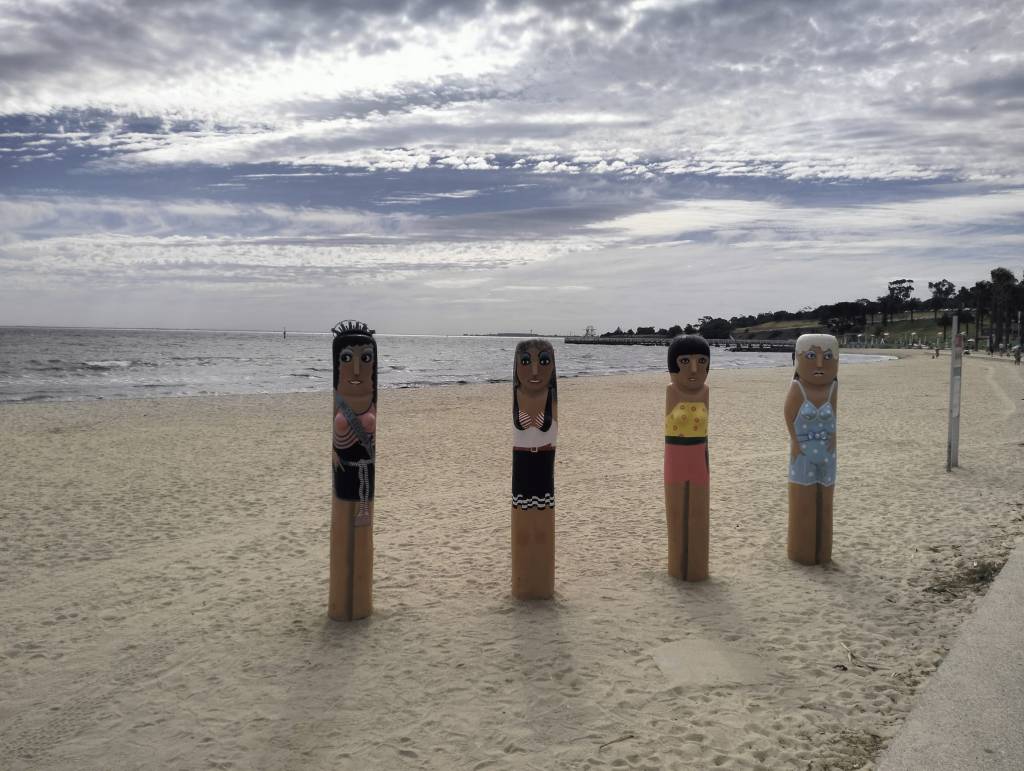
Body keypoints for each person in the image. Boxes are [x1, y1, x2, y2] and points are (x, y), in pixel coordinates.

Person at [329, 320, 377, 620]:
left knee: (361, 538)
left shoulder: (371, 403)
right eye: (346, 358)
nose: (357, 370)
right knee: (344, 532)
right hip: (344, 477)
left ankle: (359, 605)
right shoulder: (340, 403)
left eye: (366, 358)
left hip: (365, 478)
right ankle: (342, 606)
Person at [784, 334, 839, 565]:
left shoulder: (833, 387)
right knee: (803, 502)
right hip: (803, 453)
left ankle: (822, 553)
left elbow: (834, 416)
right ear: (798, 359)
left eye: (827, 357)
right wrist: (796, 443)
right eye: (810, 356)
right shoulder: (798, 387)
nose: (819, 364)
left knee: (825, 502)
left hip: (828, 453)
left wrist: (833, 437)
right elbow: (788, 416)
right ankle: (803, 553)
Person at [511, 339, 558, 599]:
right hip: (522, 463)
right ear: (516, 366)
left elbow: (550, 428)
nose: (535, 371)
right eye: (526, 362)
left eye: (544, 361)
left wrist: (542, 423)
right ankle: (524, 582)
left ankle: (540, 581)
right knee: (522, 520)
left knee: (541, 522)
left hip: (544, 462)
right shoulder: (517, 396)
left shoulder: (550, 397)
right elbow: (520, 427)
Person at [664, 334, 711, 581]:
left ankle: (696, 567)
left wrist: (705, 460)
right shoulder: (672, 391)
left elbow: (705, 431)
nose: (694, 369)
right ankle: (679, 566)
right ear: (673, 365)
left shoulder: (706, 392)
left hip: (699, 457)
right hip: (676, 456)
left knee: (698, 511)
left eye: (702, 361)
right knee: (678, 512)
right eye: (685, 362)